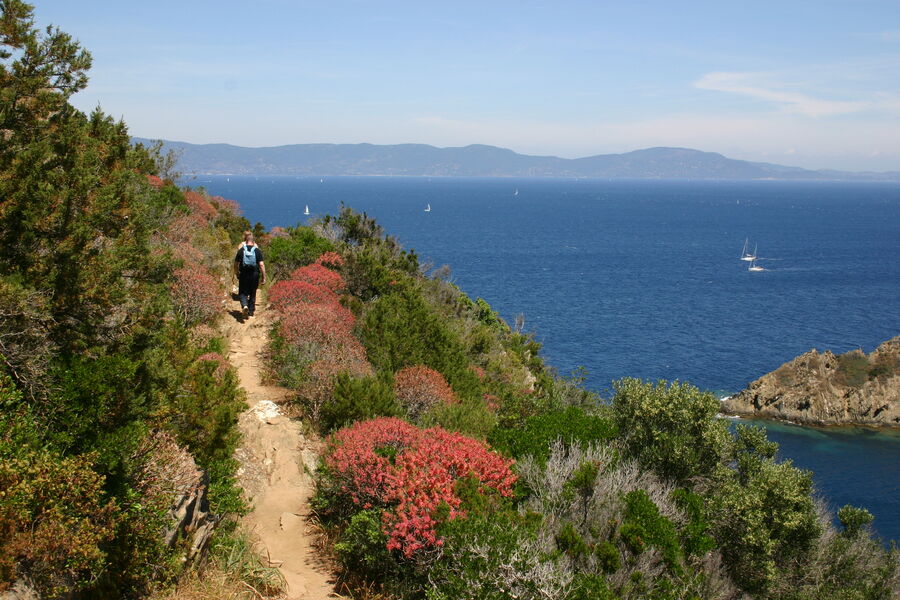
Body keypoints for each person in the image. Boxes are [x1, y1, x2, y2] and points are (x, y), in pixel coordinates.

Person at [233, 232, 266, 319]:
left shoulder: (241, 250)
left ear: (245, 241)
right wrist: (264, 277)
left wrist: (237, 273)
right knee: (252, 293)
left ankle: (244, 305)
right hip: (255, 274)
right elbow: (262, 265)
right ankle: (251, 312)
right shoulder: (257, 250)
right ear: (253, 242)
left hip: (244, 274)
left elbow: (236, 264)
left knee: (242, 292)